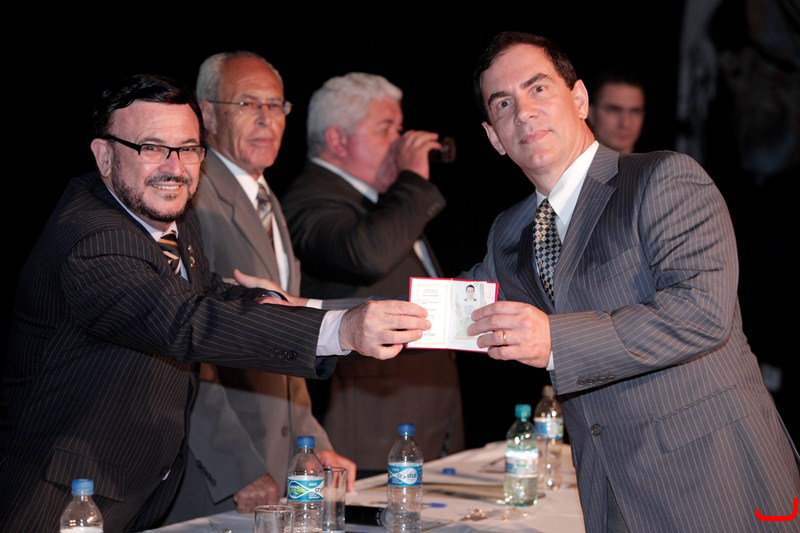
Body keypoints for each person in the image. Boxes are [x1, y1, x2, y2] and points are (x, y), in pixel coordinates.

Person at [0, 73, 430, 533]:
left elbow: (207, 292)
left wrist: (286, 303)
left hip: (132, 490)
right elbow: (185, 322)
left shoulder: (168, 215)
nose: (175, 167)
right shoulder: (94, 238)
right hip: (59, 498)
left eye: (188, 148)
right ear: (105, 156)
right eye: (152, 148)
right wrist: (339, 330)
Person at [462, 31, 800, 532]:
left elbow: (701, 313)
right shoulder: (510, 232)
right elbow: (449, 306)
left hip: (717, 480)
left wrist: (554, 340)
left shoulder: (663, 178)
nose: (524, 113)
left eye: (538, 89)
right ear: (494, 136)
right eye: (504, 103)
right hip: (610, 492)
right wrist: (346, 321)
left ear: (579, 100)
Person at [160, 51, 356, 525]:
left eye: (276, 105)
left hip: (278, 459)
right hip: (218, 472)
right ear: (207, 115)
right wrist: (235, 466)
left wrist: (313, 442)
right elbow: (184, 350)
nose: (267, 119)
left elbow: (287, 333)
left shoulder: (265, 198)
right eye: (248, 104)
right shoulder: (191, 199)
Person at [281, 72, 465, 474]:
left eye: (399, 129)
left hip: (423, 416)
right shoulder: (309, 199)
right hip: (368, 430)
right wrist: (412, 179)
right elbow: (367, 254)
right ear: (337, 139)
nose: (400, 143)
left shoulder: (383, 202)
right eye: (386, 129)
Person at [587, 67, 645, 154]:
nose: (625, 123)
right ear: (590, 113)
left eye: (634, 112)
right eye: (614, 110)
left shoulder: (660, 162)